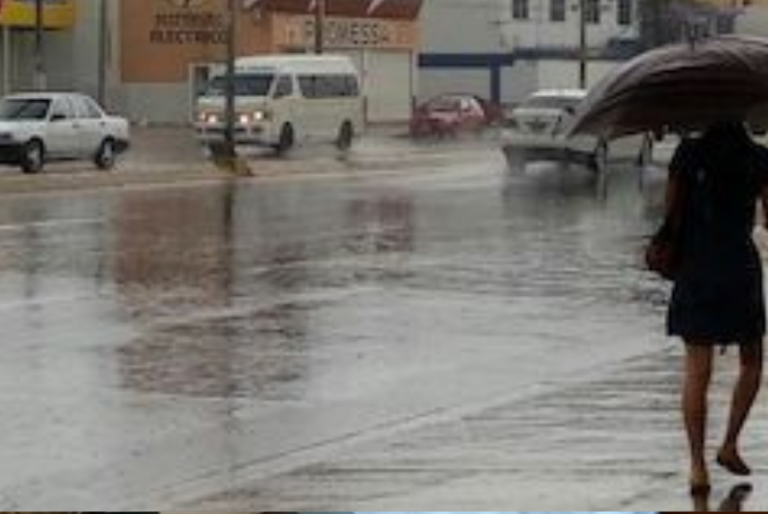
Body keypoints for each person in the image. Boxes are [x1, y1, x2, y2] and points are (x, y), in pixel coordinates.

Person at [664, 121, 768, 495]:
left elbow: (670, 210)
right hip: (739, 267)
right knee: (752, 359)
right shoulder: (758, 158)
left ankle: (697, 466)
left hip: (696, 265)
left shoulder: (689, 154)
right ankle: (729, 444)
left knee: (697, 371)